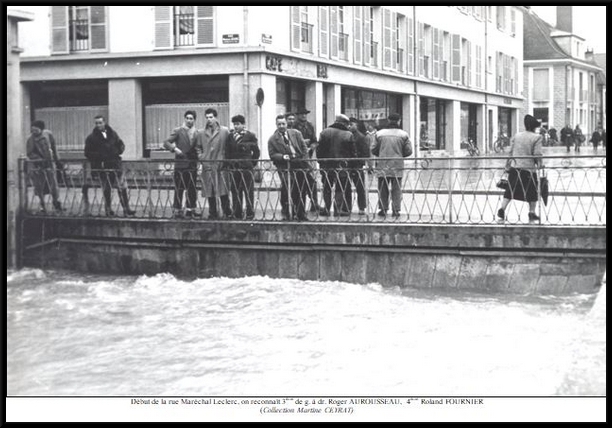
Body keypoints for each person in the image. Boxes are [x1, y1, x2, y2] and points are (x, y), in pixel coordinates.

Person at [84, 115, 135, 217]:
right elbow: (87, 153)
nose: (98, 125)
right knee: (107, 188)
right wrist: (100, 156)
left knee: (122, 186)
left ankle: (126, 208)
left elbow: (121, 144)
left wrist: (118, 151)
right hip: (103, 166)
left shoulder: (113, 134)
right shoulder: (91, 138)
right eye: (96, 123)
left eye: (100, 122)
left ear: (104, 123)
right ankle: (108, 209)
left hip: (115, 164)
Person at [497, 114, 544, 223]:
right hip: (528, 169)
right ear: (534, 127)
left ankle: (502, 209)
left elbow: (511, 151)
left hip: (515, 168)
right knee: (532, 191)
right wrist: (540, 164)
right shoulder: (537, 137)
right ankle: (532, 213)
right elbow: (537, 154)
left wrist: (507, 164)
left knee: (510, 190)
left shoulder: (517, 135)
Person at [268, 114, 310, 221]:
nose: (281, 126)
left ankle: (301, 213)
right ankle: (287, 212)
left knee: (301, 188)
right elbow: (272, 154)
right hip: (285, 166)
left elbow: (304, 148)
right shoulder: (273, 139)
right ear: (276, 125)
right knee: (287, 188)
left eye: (283, 124)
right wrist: (282, 156)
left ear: (287, 124)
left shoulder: (296, 133)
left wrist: (305, 161)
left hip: (299, 163)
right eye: (279, 124)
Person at [370, 113, 412, 218]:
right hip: (397, 165)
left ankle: (383, 209)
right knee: (396, 188)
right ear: (399, 121)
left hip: (382, 164)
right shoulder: (404, 134)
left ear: (388, 121)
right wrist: (400, 154)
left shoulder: (379, 134)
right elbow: (409, 151)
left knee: (382, 187)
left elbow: (373, 149)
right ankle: (396, 210)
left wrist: (381, 154)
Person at [196, 108, 233, 220]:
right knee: (210, 191)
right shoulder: (201, 132)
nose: (209, 119)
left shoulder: (224, 131)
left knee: (223, 190)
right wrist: (202, 157)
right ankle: (213, 212)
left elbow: (229, 146)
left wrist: (225, 159)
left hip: (220, 164)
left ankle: (227, 211)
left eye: (211, 117)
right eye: (207, 117)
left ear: (216, 117)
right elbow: (198, 147)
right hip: (208, 165)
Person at [316, 114, 355, 216]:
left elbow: (319, 150)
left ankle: (327, 208)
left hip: (326, 166)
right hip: (342, 167)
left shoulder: (324, 132)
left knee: (327, 187)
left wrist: (321, 162)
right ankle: (338, 209)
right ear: (344, 123)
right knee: (340, 188)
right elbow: (352, 153)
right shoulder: (348, 134)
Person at [163, 110, 200, 218]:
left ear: (194, 120)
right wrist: (175, 149)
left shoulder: (197, 132)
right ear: (184, 119)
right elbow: (166, 142)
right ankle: (177, 210)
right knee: (179, 187)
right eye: (187, 118)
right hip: (180, 164)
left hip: (192, 164)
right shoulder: (178, 131)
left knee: (192, 188)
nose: (189, 120)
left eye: (191, 118)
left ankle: (190, 209)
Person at [287, 112, 322, 213]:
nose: (303, 116)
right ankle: (291, 208)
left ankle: (314, 204)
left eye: (305, 114)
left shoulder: (309, 126)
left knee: (311, 182)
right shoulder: (291, 129)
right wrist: (302, 142)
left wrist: (311, 147)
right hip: (294, 161)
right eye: (302, 114)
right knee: (293, 185)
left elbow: (315, 141)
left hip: (306, 159)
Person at [227, 114, 260, 220]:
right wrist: (229, 163)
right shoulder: (230, 136)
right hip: (234, 168)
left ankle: (250, 212)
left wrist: (252, 163)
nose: (236, 126)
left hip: (246, 168)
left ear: (243, 125)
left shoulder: (250, 135)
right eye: (234, 124)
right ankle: (237, 212)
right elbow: (227, 151)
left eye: (238, 124)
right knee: (235, 190)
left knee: (248, 190)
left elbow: (256, 151)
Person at [26, 120, 63, 213]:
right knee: (40, 186)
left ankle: (56, 203)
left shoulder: (48, 134)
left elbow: (54, 146)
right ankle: (42, 205)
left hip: (50, 164)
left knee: (53, 184)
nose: (34, 132)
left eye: (36, 130)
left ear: (41, 129)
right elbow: (30, 153)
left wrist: (57, 158)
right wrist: (39, 159)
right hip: (38, 166)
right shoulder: (30, 139)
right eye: (33, 130)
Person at [348, 118, 371, 215]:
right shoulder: (346, 135)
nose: (350, 126)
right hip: (348, 165)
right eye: (348, 124)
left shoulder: (361, 137)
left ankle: (362, 207)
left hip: (357, 166)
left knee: (360, 187)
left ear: (356, 125)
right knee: (346, 187)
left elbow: (366, 152)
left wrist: (362, 162)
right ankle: (347, 207)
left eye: (352, 124)